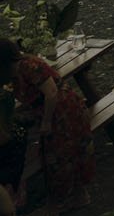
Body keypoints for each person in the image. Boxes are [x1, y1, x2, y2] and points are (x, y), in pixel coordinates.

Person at [0, 37, 93, 212]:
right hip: (51, 113)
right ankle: (79, 196)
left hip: (63, 113)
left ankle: (58, 203)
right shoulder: (12, 74)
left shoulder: (29, 65)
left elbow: (51, 93)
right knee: (68, 153)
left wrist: (46, 122)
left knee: (59, 157)